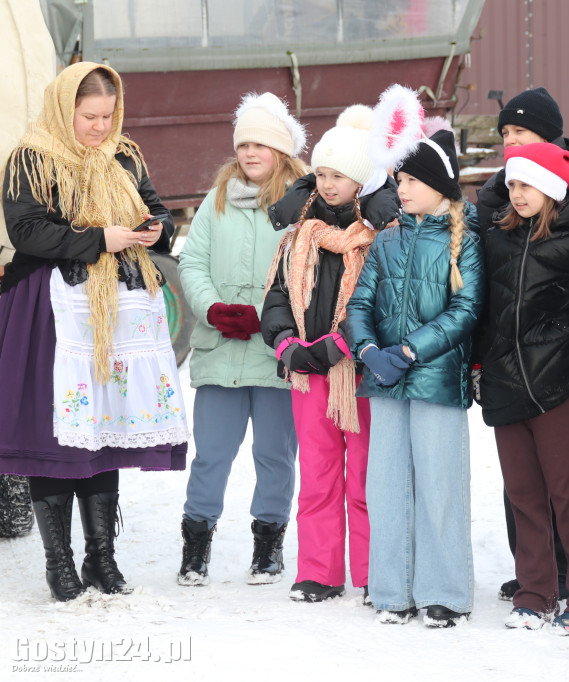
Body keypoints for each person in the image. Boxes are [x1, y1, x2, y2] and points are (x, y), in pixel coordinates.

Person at [0, 62, 188, 601]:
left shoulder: (124, 155)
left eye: (108, 115)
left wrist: (155, 229)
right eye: (89, 117)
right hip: (52, 310)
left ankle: (101, 559)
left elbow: (155, 209)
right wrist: (99, 238)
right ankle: (59, 564)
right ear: (65, 109)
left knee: (104, 428)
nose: (101, 127)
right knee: (55, 435)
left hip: (117, 311)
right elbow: (26, 231)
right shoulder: (31, 159)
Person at [477, 142, 569, 633]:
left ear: (552, 189)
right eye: (513, 184)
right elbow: (485, 311)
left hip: (555, 382)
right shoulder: (496, 238)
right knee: (523, 495)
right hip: (503, 381)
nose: (517, 194)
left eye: (527, 185)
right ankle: (534, 594)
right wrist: (478, 366)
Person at [260, 104, 400, 603]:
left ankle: (371, 572)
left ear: (361, 181)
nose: (327, 184)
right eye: (320, 174)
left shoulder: (380, 238)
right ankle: (318, 571)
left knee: (364, 477)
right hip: (308, 375)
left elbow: (384, 302)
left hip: (359, 375)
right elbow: (277, 295)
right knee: (317, 475)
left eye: (338, 175)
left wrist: (340, 343)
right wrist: (286, 343)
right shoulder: (301, 235)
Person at [346, 128, 484, 628]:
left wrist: (408, 350)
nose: (401, 189)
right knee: (385, 485)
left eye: (411, 181)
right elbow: (359, 303)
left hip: (436, 382)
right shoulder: (386, 241)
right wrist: (368, 350)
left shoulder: (465, 242)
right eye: (398, 180)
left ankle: (444, 591)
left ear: (438, 185)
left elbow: (466, 310)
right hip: (385, 381)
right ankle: (391, 590)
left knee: (439, 485)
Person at [175, 93, 307, 587]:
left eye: (261, 144)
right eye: (243, 144)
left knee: (274, 454)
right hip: (221, 349)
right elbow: (193, 262)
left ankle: (268, 546)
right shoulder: (217, 201)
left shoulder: (302, 203)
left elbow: (309, 271)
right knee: (211, 453)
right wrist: (212, 308)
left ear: (281, 151)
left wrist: (277, 318)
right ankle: (196, 545)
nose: (250, 153)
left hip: (276, 353)